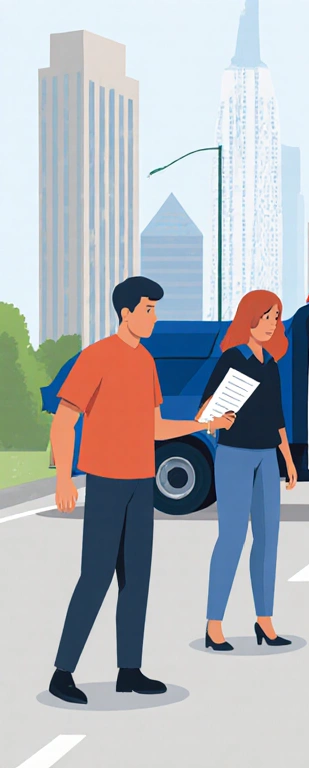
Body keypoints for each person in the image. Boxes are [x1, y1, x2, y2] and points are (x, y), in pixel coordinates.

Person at [48, 276, 236, 705]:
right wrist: (63, 478)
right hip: (107, 482)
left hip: (140, 481)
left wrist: (206, 425)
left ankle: (128, 671)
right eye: (148, 309)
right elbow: (64, 418)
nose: (154, 317)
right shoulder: (96, 357)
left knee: (136, 580)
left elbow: (156, 428)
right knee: (95, 577)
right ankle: (63, 672)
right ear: (126, 313)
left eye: (156, 309)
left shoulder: (146, 361)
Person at [199, 290, 298, 652]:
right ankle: (214, 624)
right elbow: (204, 410)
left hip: (266, 457)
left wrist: (287, 459)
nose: (272, 324)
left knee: (268, 538)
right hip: (234, 455)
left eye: (276, 318)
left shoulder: (270, 364)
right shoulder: (231, 358)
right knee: (233, 537)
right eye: (267, 317)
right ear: (249, 318)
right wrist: (217, 418)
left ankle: (265, 621)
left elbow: (277, 417)